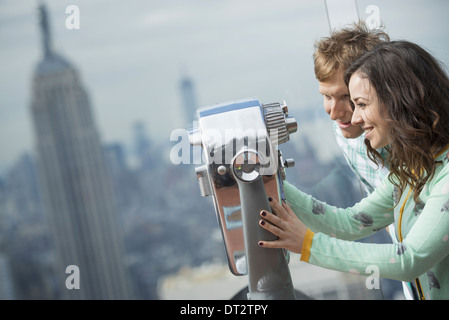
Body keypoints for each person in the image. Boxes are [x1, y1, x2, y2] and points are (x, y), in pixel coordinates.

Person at [259, 40, 449, 300]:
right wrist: (267, 178)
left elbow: (410, 260)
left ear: (398, 101)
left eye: (361, 103)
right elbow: (349, 223)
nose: (355, 118)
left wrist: (308, 244)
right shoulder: (411, 169)